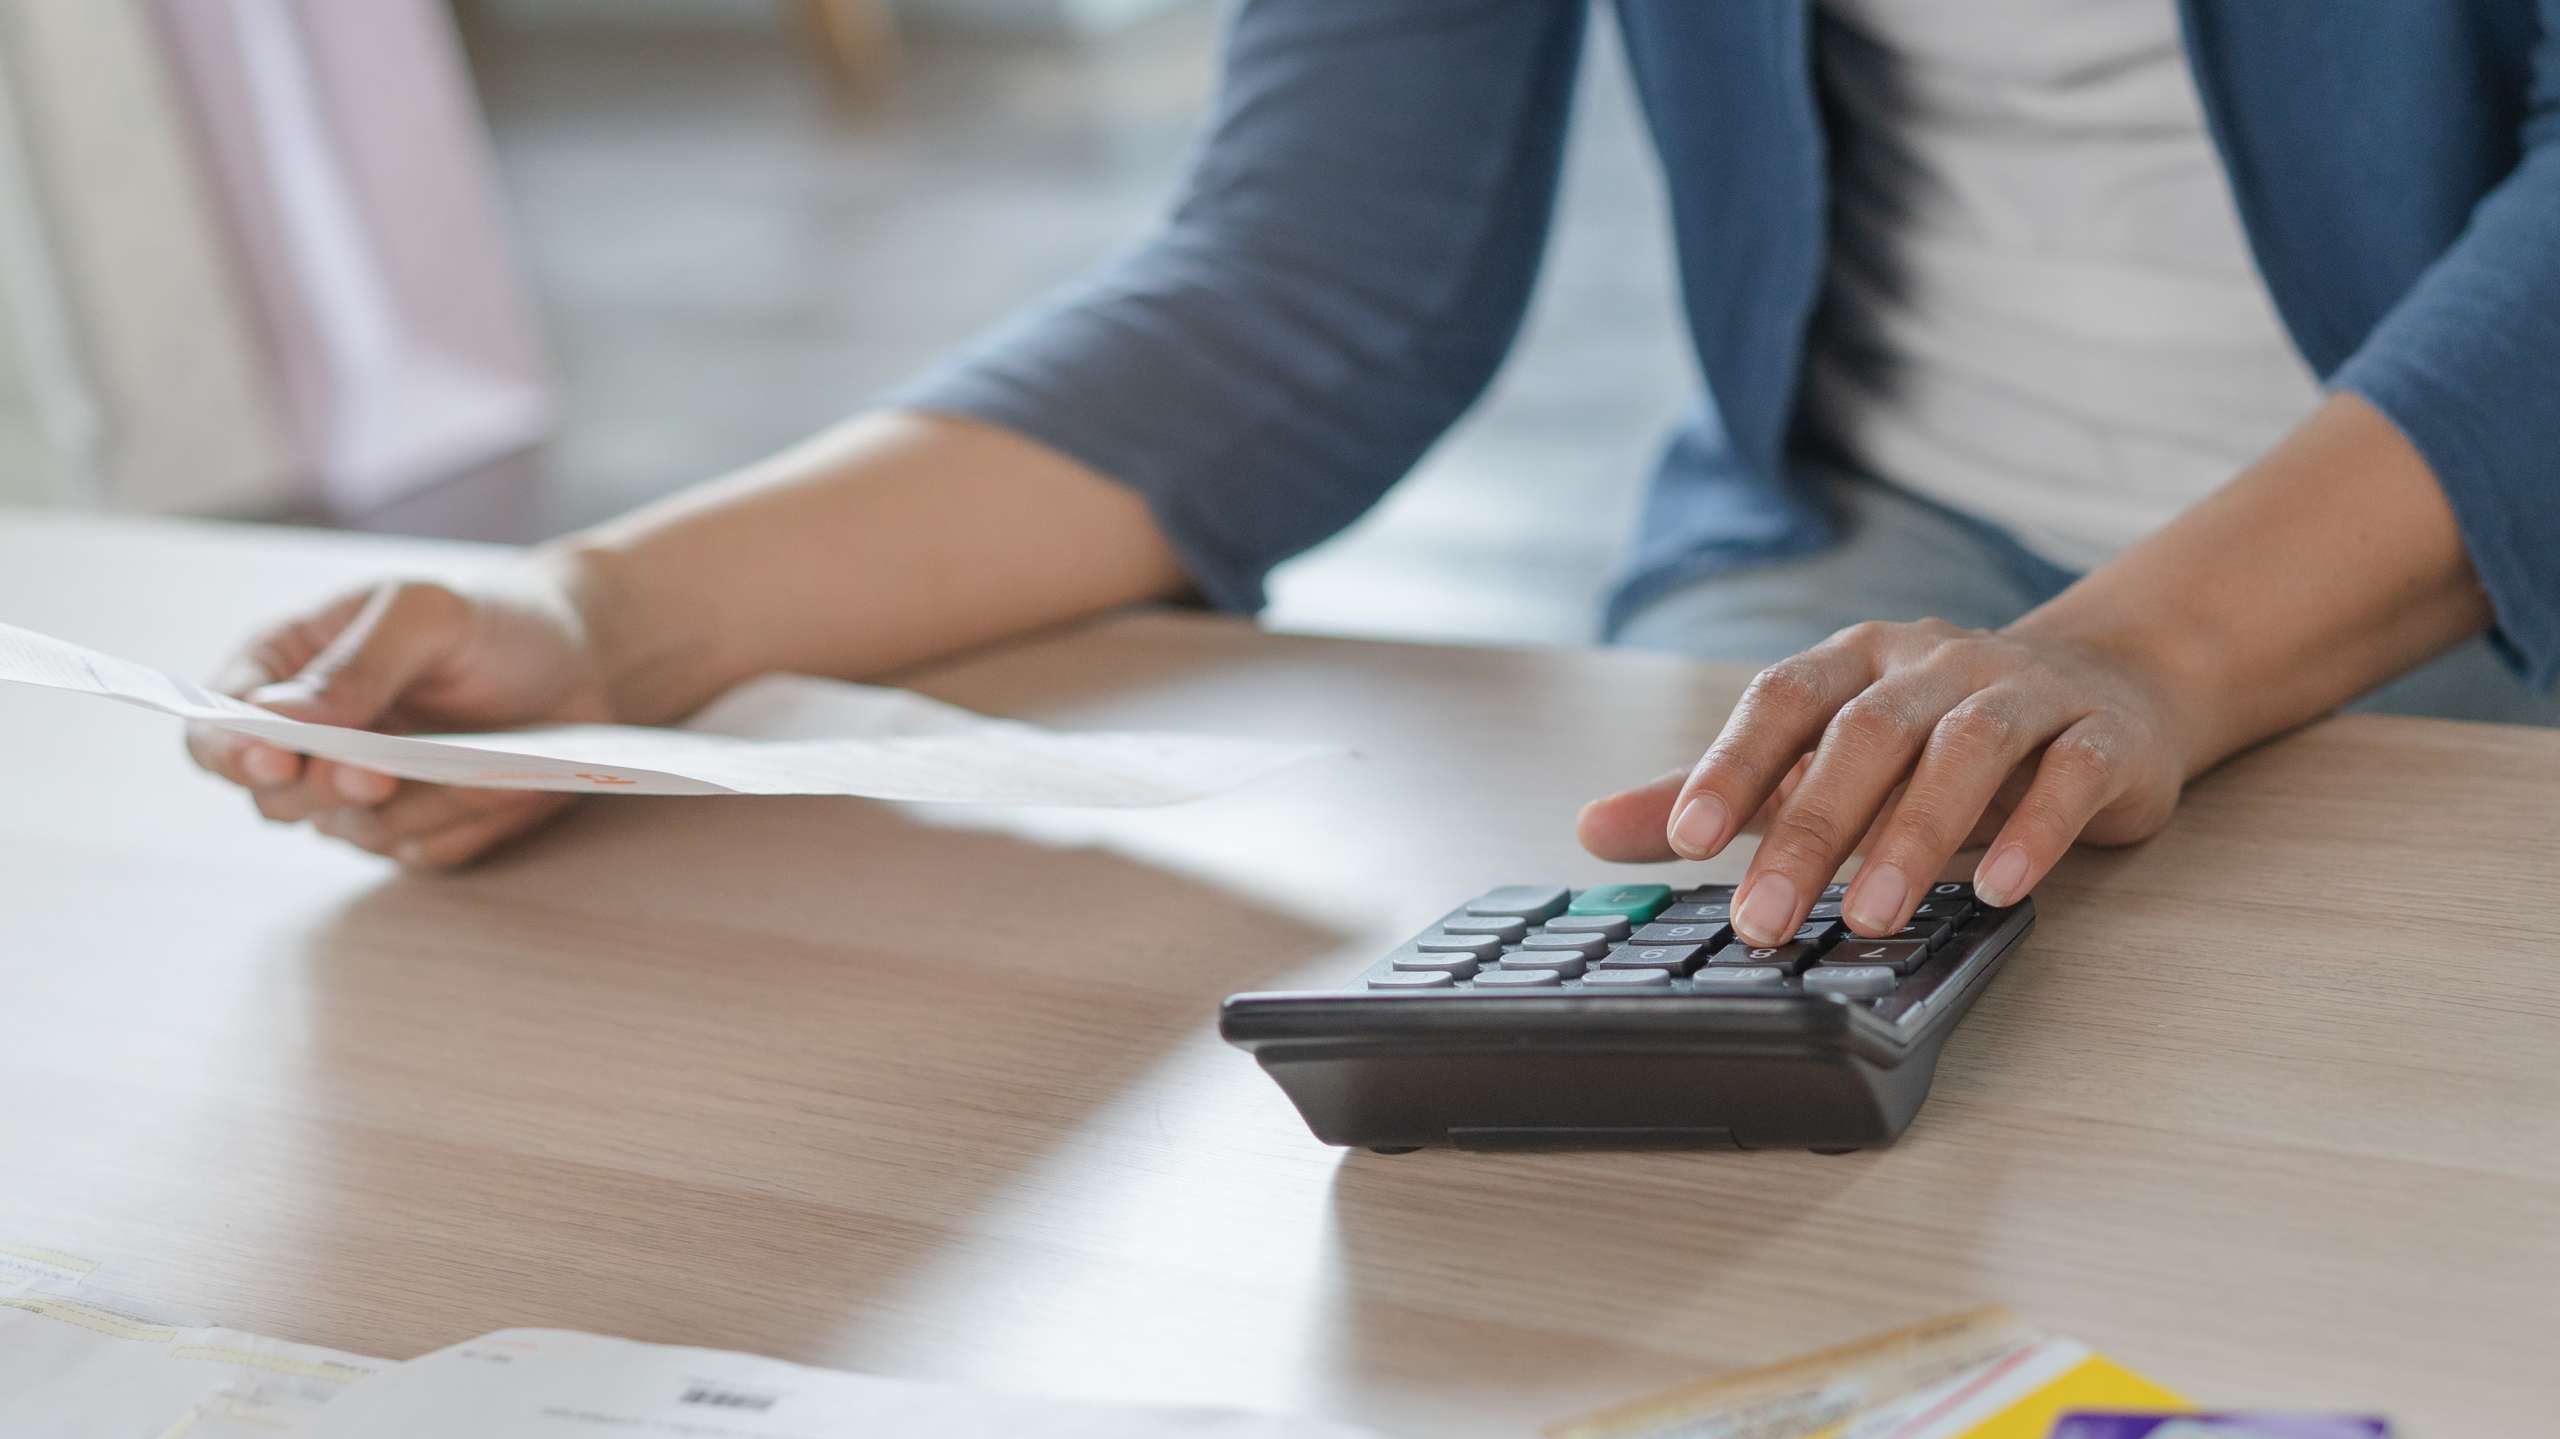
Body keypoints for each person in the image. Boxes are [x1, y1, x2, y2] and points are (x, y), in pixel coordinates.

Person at [191, 0, 2560, 952]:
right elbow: (1311, 275)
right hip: (1879, 564)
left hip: (2453, 563)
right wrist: (613, 620)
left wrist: (2122, 660)